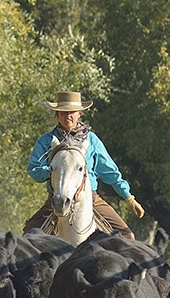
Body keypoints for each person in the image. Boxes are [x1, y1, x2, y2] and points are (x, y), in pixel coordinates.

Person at [23, 91, 145, 239]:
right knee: (28, 237)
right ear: (57, 114)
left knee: (127, 236)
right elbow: (33, 169)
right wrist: (51, 171)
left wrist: (127, 196)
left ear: (79, 113)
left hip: (91, 199)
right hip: (56, 199)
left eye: (72, 112)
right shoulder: (46, 141)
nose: (68, 115)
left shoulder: (91, 140)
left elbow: (110, 171)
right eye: (63, 112)